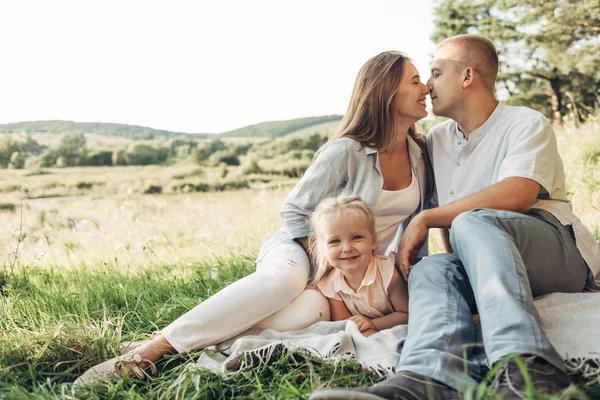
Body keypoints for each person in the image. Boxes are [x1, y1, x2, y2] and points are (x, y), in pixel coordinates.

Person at [75, 50, 434, 384]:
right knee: (286, 284)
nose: (426, 88)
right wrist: (322, 263)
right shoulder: (347, 151)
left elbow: (415, 231)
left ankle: (190, 344)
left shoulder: (419, 154)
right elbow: (294, 212)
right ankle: (150, 351)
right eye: (415, 80)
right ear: (386, 92)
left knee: (304, 315)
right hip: (302, 248)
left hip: (351, 269)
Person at [310, 34, 600, 400]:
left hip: (555, 250)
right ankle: (427, 379)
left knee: (471, 219)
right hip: (484, 259)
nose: (427, 86)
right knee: (431, 269)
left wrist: (427, 218)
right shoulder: (438, 140)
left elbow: (517, 195)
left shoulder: (525, 123)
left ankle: (530, 367)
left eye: (435, 73)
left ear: (466, 77)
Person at [311, 195, 410, 337]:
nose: (346, 248)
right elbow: (345, 325)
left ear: (373, 241)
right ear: (323, 250)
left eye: (356, 237)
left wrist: (374, 324)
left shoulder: (387, 271)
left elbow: (407, 315)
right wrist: (364, 330)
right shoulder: (330, 285)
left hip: (396, 327)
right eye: (335, 241)